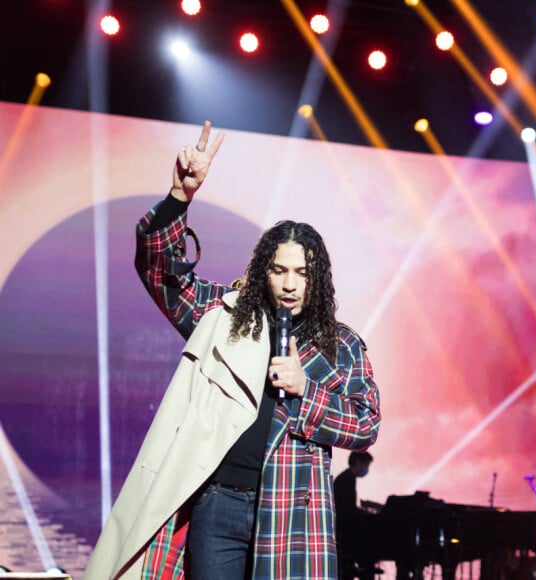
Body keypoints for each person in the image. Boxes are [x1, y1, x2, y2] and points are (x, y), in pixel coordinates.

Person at [83, 121, 381, 580]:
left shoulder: (341, 345)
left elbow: (366, 423)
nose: (288, 284)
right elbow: (162, 274)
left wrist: (307, 391)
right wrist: (179, 196)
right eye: (278, 270)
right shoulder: (227, 316)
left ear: (315, 279)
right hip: (218, 503)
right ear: (263, 271)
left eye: (300, 273)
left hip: (292, 512)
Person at [334, 452, 375, 580]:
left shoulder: (347, 478)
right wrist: (364, 514)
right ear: (358, 462)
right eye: (366, 465)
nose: (366, 469)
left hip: (343, 530)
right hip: (344, 533)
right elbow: (347, 510)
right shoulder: (346, 480)